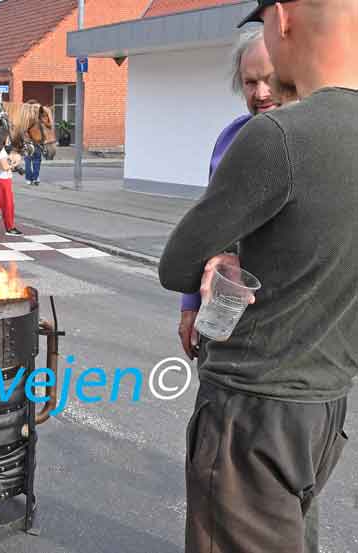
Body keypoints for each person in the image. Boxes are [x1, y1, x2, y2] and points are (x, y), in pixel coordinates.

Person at [159, 1, 358, 551]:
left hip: (252, 407)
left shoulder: (276, 136)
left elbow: (176, 262)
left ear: (284, 18)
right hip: (325, 403)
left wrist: (216, 258)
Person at [177, 30, 279, 360]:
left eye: (270, 79)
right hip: (220, 315)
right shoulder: (231, 136)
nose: (261, 93)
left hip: (278, 328)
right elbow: (206, 228)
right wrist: (190, 304)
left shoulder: (312, 142)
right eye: (250, 83)